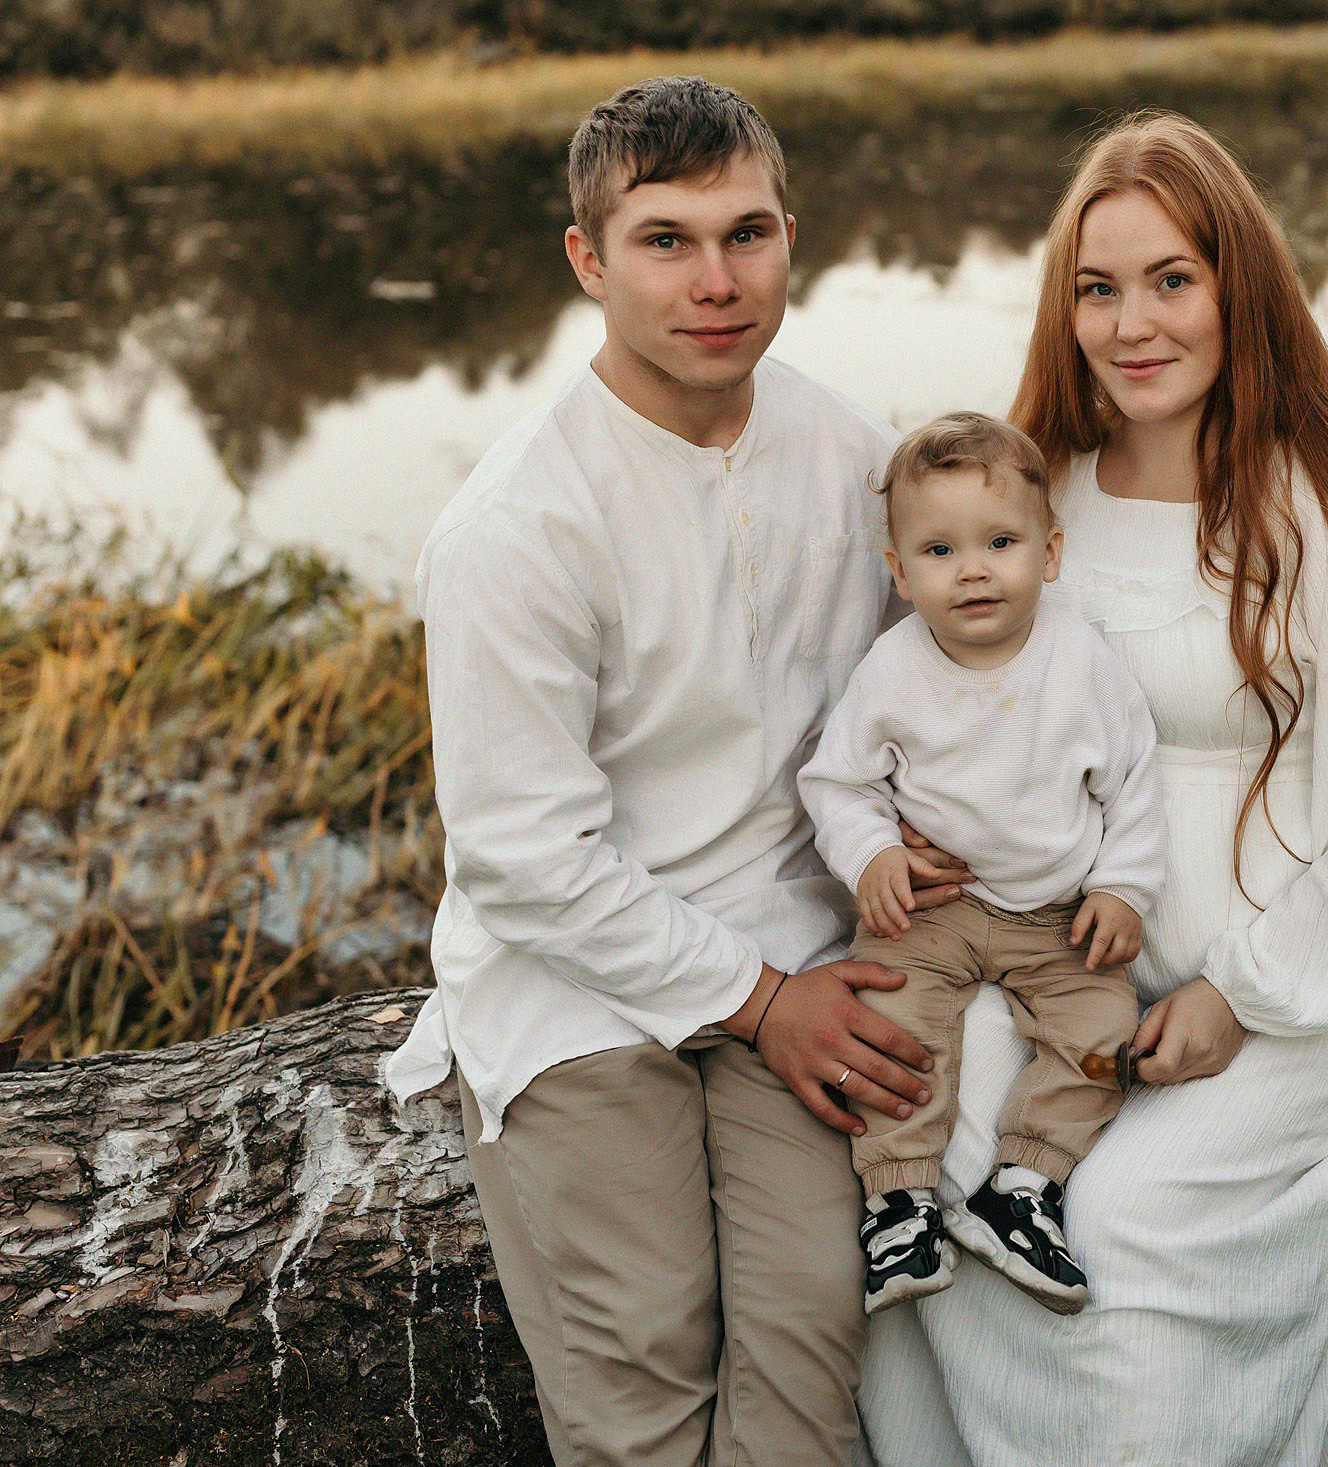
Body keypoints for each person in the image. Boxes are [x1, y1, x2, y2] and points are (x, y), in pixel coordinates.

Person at [856, 112, 1328, 1466]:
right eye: (1097, 287)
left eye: (1171, 279)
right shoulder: (1039, 501)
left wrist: (1240, 992)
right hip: (1072, 957)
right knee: (934, 1152)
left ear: (1237, 290)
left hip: (1308, 975)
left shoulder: (1315, 502)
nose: (1130, 322)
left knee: (1131, 1213)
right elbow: (940, 705)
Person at [380, 75, 960, 1467]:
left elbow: (930, 697)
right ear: (588, 259)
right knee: (648, 1337)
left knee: (821, 1321)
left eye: (746, 234)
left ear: (790, 238)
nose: (717, 281)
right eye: (665, 240)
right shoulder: (515, 525)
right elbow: (522, 861)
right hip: (576, 980)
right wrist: (762, 1005)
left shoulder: (854, 454)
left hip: (792, 943)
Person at [798, 411, 1167, 1319]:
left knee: (1102, 1031)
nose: (971, 569)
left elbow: (1135, 784)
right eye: (938, 550)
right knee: (892, 1019)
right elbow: (836, 782)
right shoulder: (891, 670)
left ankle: (1023, 1188)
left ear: (1049, 550)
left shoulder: (1082, 661)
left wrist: (1125, 886)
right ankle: (899, 1199)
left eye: (999, 542)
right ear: (899, 570)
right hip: (937, 907)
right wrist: (872, 851)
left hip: (1058, 910)